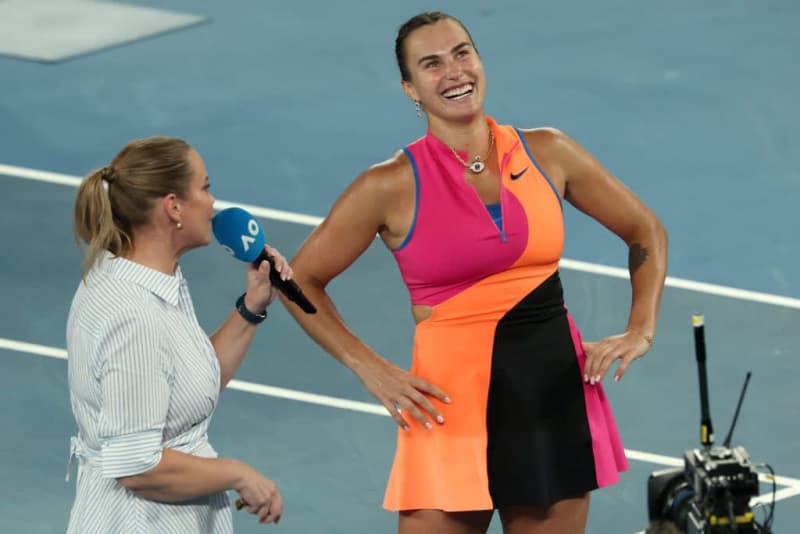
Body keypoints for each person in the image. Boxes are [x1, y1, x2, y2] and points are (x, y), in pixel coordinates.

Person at [283, 11, 668, 534]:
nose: (454, 72)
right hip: (449, 411)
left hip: (552, 396)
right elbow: (298, 279)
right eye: (432, 64)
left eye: (462, 53)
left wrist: (641, 328)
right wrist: (369, 367)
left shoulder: (548, 152)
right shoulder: (387, 185)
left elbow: (645, 229)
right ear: (410, 88)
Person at [66, 136, 287, 532]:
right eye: (204, 188)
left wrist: (252, 306)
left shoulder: (142, 278)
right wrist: (237, 474)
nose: (212, 202)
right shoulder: (134, 316)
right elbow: (137, 466)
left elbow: (188, 384)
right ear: (173, 207)